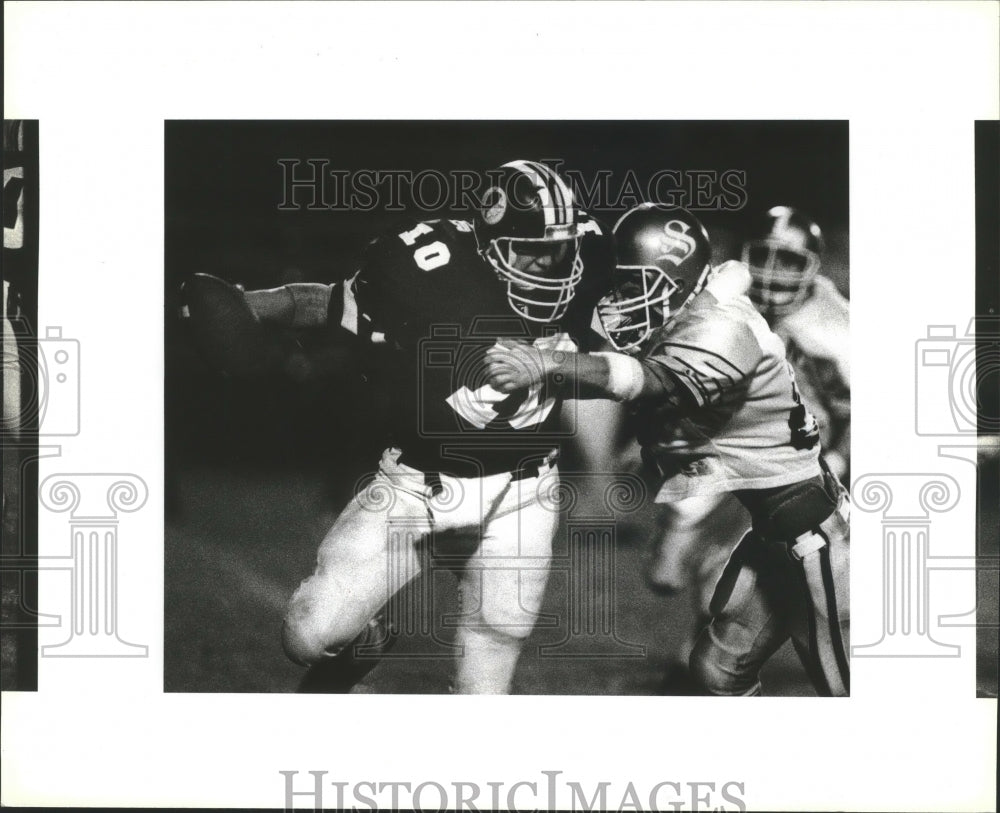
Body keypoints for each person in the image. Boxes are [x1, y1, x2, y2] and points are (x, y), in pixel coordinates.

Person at [183, 159, 613, 694]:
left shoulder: (595, 258)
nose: (548, 263)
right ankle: (361, 651)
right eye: (530, 248)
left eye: (558, 247)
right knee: (307, 635)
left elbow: (633, 356)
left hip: (522, 495)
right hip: (415, 489)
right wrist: (252, 305)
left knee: (488, 678)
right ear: (489, 240)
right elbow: (331, 303)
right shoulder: (426, 265)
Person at [484, 203, 850, 696]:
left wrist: (548, 364)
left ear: (673, 279)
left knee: (850, 689)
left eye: (634, 285)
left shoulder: (723, 327)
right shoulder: (699, 311)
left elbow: (651, 380)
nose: (621, 297)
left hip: (816, 532)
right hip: (776, 528)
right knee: (717, 668)